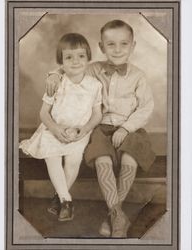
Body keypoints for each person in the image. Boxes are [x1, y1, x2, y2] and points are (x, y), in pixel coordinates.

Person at [46, 20, 155, 237]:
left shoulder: (138, 76)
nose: (117, 50)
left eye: (124, 44)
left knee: (129, 160)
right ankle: (118, 217)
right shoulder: (93, 68)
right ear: (101, 47)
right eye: (111, 44)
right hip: (100, 127)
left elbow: (146, 108)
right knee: (101, 159)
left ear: (133, 46)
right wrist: (53, 74)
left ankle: (113, 214)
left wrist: (126, 128)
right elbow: (70, 68)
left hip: (130, 129)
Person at [19, 33, 102, 222]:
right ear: (61, 62)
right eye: (69, 57)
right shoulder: (56, 82)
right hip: (53, 129)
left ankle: (59, 196)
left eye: (81, 56)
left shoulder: (94, 85)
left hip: (80, 131)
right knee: (52, 157)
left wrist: (85, 129)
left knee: (74, 159)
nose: (75, 62)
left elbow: (97, 114)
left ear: (89, 58)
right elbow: (43, 114)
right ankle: (66, 200)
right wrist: (56, 129)